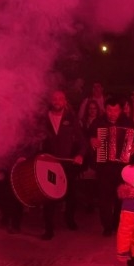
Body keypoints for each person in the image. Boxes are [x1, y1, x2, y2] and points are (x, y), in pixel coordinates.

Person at [38, 90, 86, 240]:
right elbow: (34, 139)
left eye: (60, 98)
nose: (57, 100)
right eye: (54, 98)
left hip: (68, 163)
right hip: (49, 163)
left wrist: (80, 155)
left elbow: (82, 142)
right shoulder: (43, 118)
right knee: (49, 195)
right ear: (50, 101)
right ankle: (49, 229)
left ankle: (69, 219)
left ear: (65, 101)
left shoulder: (72, 119)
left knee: (71, 195)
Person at [88, 98, 134, 236]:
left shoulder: (128, 123)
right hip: (104, 166)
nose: (112, 113)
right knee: (104, 197)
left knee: (120, 197)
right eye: (109, 110)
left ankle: (116, 224)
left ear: (120, 110)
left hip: (122, 167)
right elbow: (88, 138)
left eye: (115, 110)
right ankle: (107, 226)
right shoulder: (97, 123)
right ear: (105, 109)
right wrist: (92, 141)